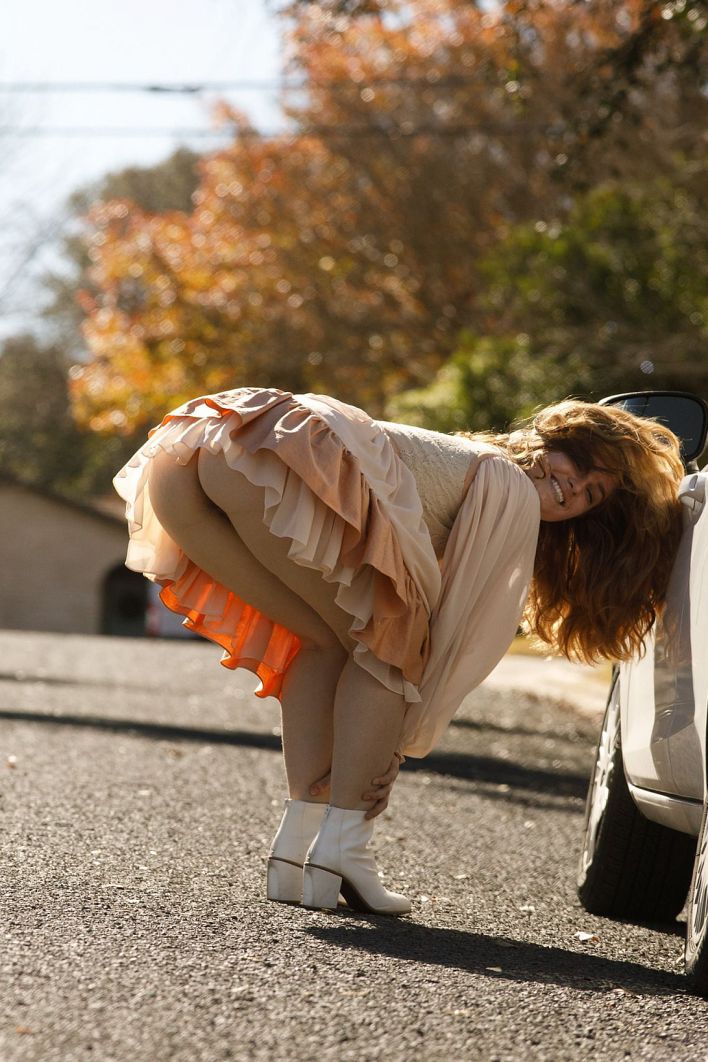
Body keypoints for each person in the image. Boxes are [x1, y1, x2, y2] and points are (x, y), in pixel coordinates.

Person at [113, 386, 684, 915]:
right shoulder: (509, 489)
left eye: (592, 495)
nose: (574, 490)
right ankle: (344, 849)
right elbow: (459, 638)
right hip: (265, 458)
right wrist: (387, 754)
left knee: (324, 641)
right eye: (578, 466)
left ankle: (295, 850)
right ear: (551, 444)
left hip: (194, 457)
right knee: (394, 647)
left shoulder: (477, 469)